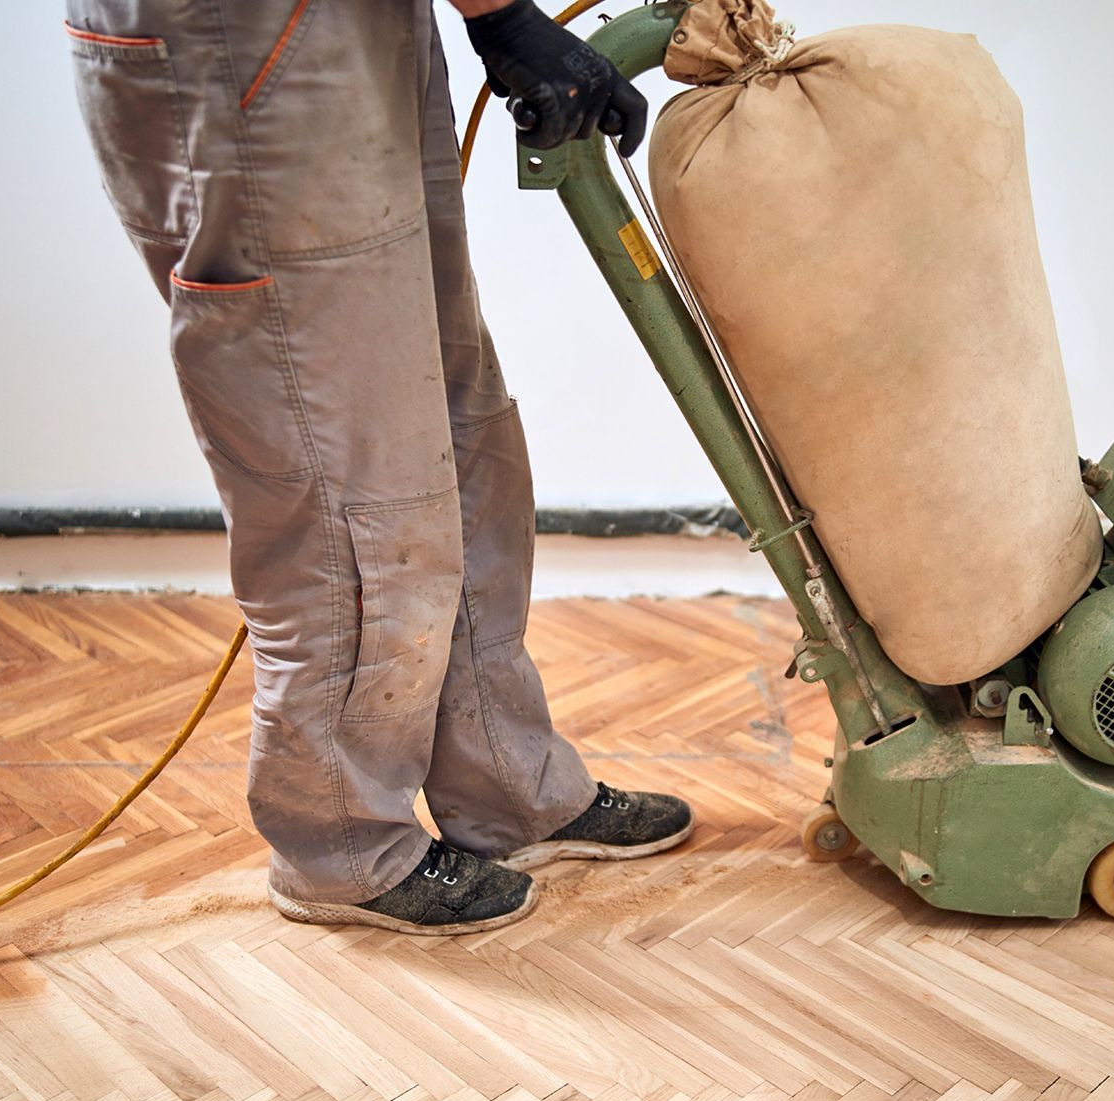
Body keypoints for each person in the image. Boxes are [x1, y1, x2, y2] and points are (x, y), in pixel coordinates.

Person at [64, 0, 684, 935]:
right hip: (248, 39)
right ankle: (344, 846)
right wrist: (505, 15)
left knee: (447, 412)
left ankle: (508, 789)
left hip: (346, 25)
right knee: (345, 460)